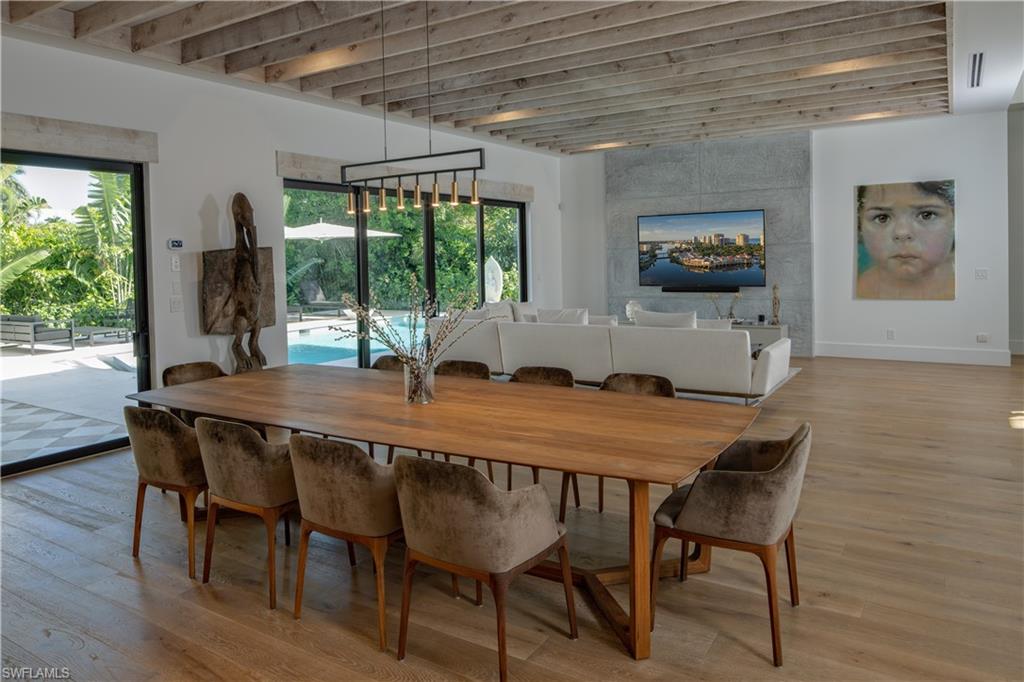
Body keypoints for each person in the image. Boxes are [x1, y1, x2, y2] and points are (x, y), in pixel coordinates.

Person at [856, 180, 955, 300]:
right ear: (859, 227)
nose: (902, 232)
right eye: (882, 218)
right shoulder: (857, 289)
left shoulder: (965, 288)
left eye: (927, 215)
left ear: (955, 220)